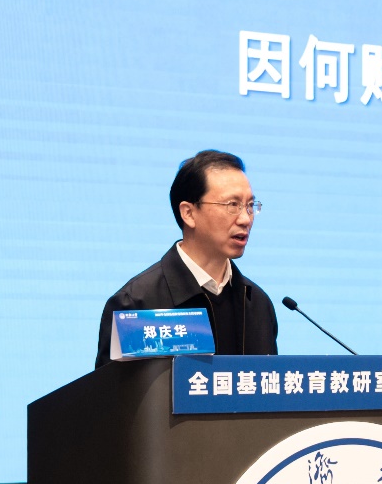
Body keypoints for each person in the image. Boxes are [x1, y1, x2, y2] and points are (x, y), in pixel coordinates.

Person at [95, 150, 278, 368]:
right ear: (188, 213)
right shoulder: (136, 305)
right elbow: (112, 390)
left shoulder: (257, 304)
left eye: (250, 206)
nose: (245, 219)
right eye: (232, 205)